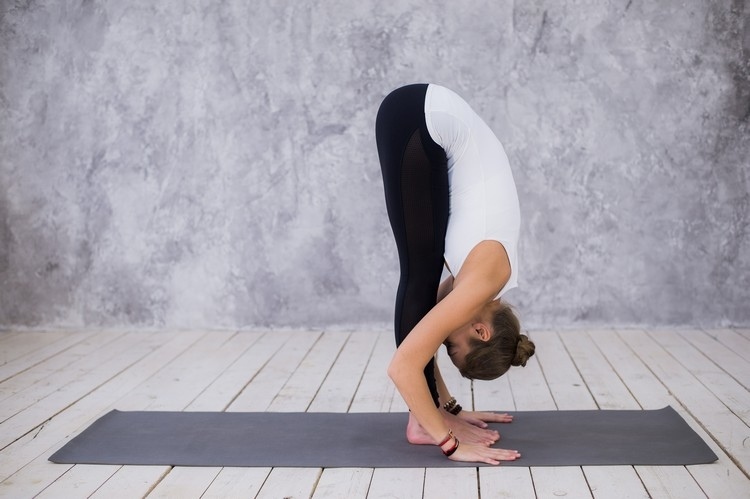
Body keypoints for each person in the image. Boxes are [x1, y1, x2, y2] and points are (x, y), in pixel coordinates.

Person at [375, 83, 536, 465]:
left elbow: (424, 325)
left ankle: (424, 417)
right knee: (418, 275)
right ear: (482, 331)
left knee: (422, 278)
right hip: (417, 118)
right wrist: (448, 440)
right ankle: (420, 423)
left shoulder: (487, 282)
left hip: (421, 116)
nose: (442, 342)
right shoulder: (480, 282)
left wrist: (447, 407)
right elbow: (404, 366)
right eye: (453, 347)